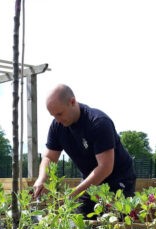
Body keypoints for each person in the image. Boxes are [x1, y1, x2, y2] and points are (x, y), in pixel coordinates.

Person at [33, 84, 136, 215]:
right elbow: (49, 157)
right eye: (53, 116)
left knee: (114, 225)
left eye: (59, 113)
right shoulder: (57, 126)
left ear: (72, 102)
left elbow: (105, 167)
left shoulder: (98, 122)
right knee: (81, 224)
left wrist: (73, 193)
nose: (57, 120)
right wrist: (42, 178)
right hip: (90, 181)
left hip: (118, 180)